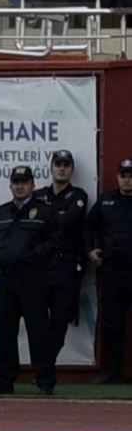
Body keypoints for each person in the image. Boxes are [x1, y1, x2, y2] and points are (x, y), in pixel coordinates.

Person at [0, 165, 56, 395]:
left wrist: (31, 256)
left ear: (32, 185)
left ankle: (45, 379)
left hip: (33, 279)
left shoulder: (45, 211)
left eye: (24, 182)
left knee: (38, 330)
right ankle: (6, 379)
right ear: (10, 185)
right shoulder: (0, 213)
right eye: (16, 182)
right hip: (7, 279)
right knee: (6, 332)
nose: (19, 186)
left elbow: (53, 242)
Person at [35, 149, 90, 362]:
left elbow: (67, 222)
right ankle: (41, 363)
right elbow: (35, 227)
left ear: (72, 170)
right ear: (51, 168)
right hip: (41, 265)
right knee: (38, 318)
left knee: (60, 319)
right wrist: (56, 217)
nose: (62, 168)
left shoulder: (78, 196)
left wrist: (49, 219)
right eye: (58, 164)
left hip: (66, 263)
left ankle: (46, 365)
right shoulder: (38, 195)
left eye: (66, 165)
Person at [87, 159, 132, 384]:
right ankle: (114, 371)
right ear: (118, 177)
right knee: (113, 322)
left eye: (130, 175)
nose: (127, 179)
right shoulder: (106, 202)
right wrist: (90, 251)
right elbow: (87, 228)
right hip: (113, 270)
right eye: (124, 175)